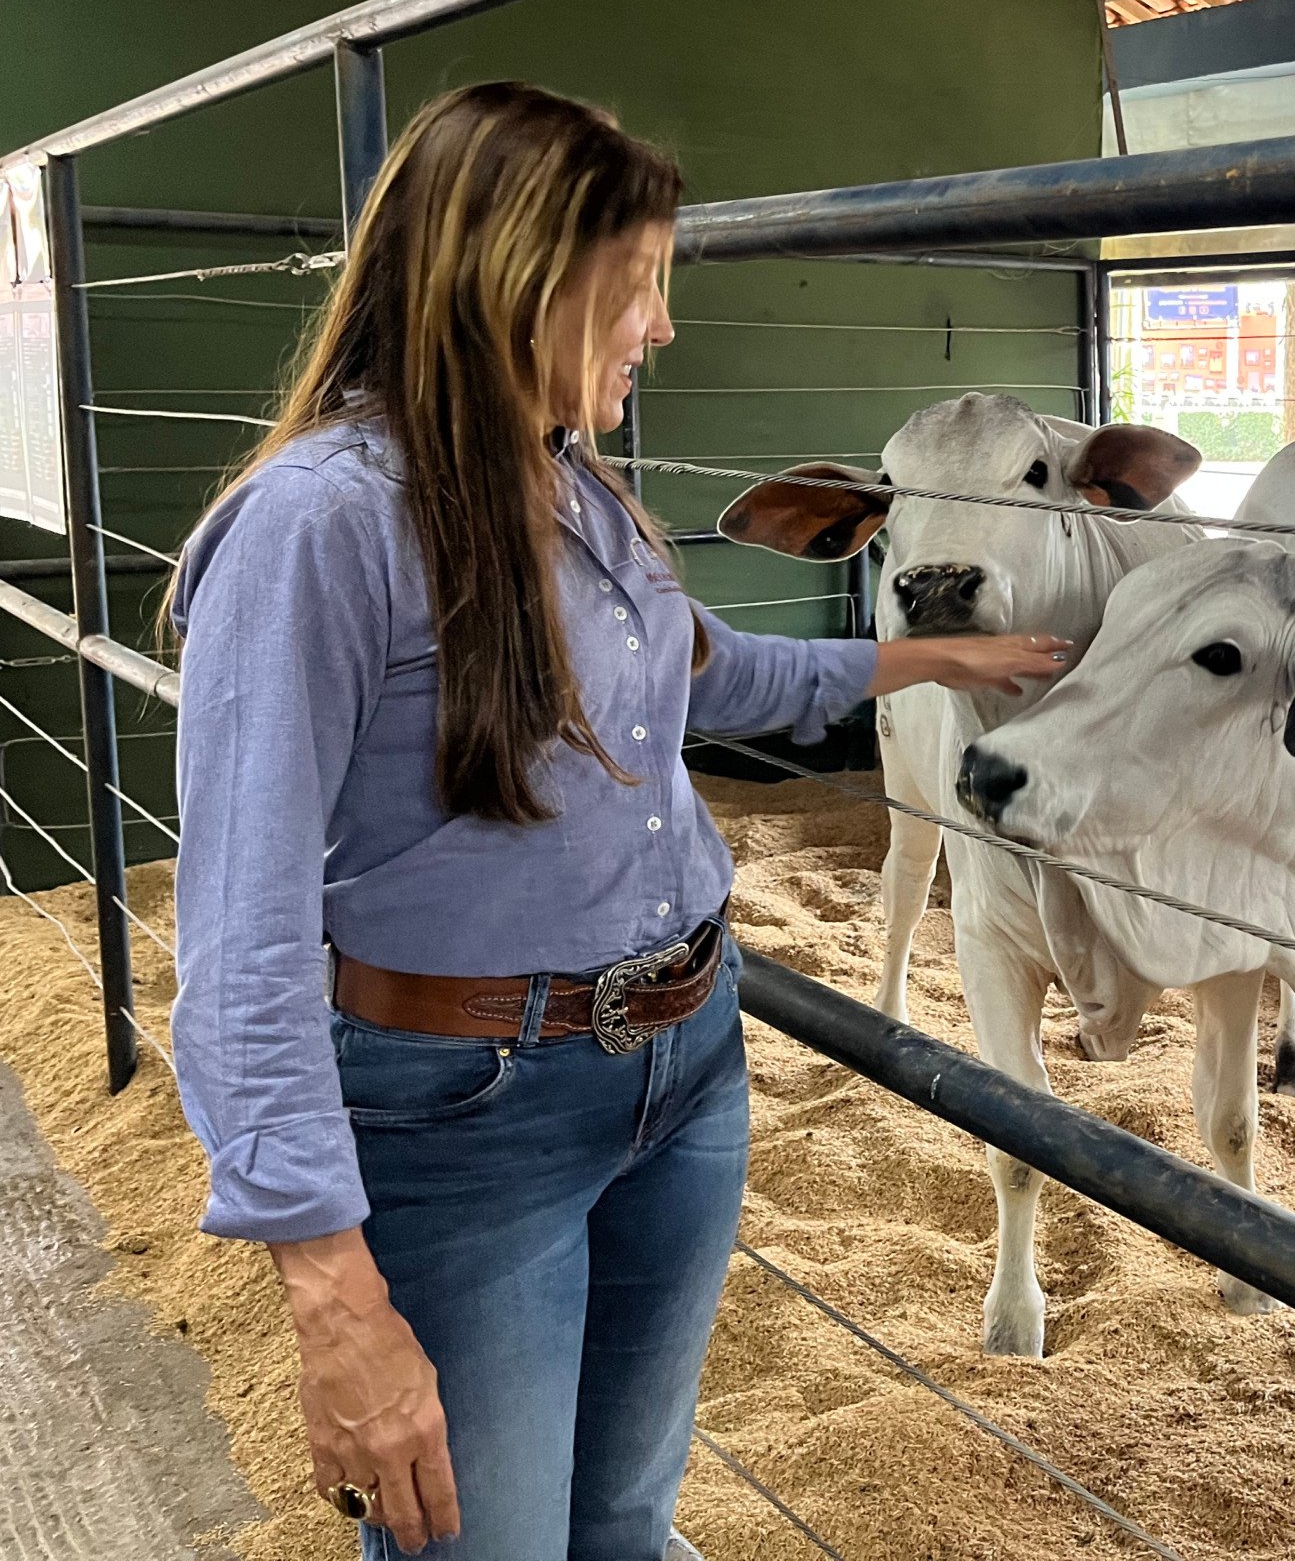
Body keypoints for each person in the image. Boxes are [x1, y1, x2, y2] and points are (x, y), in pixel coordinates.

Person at [166, 82, 1063, 1558]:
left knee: (628, 1521)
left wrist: (933, 657)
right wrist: (330, 1293)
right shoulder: (320, 525)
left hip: (686, 1075)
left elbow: (707, 674)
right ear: (514, 277)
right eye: (637, 284)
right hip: (468, 1115)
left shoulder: (571, 487)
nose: (660, 326)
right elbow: (239, 928)